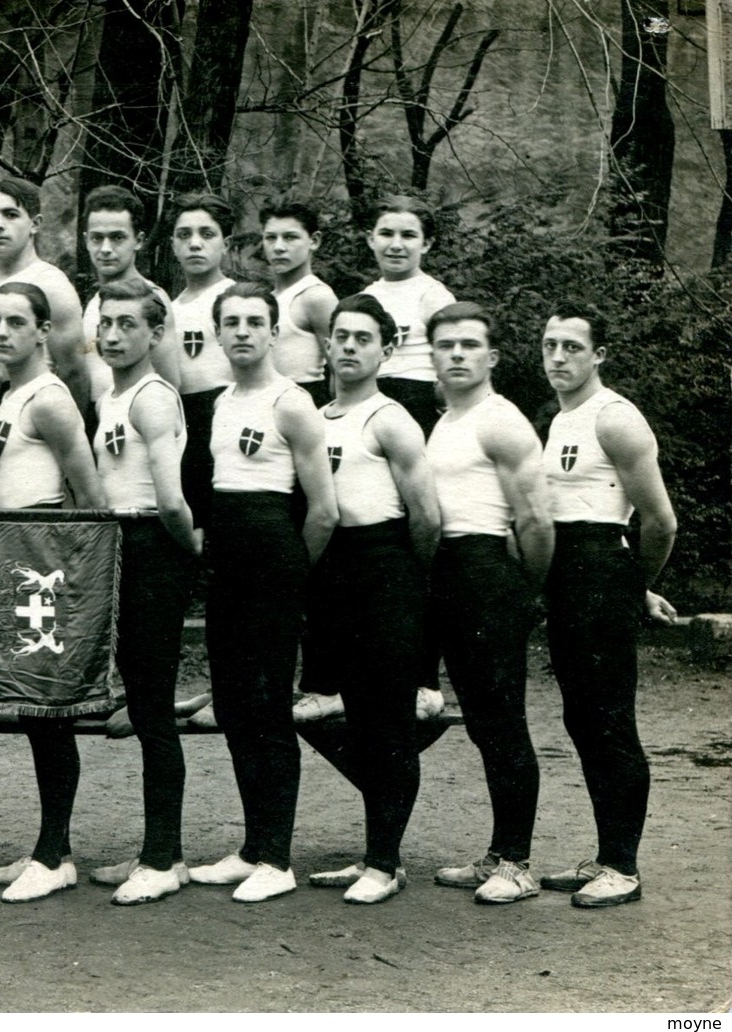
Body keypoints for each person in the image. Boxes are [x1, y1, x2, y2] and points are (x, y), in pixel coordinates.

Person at [186, 282, 337, 904]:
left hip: (274, 560)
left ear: (274, 332)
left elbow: (323, 509)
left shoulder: (294, 403)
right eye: (232, 323)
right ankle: (250, 848)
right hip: (228, 564)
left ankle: (278, 857)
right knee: (235, 707)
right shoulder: (218, 404)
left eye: (255, 322)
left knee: (270, 710)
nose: (243, 332)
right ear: (218, 334)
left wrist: (290, 576)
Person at [299, 293, 439, 904]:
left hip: (385, 569)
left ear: (386, 349)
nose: (350, 346)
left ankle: (386, 861)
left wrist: (402, 585)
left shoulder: (390, 418)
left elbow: (427, 518)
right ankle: (374, 852)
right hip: (331, 575)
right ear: (326, 344)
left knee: (386, 721)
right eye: (341, 336)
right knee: (338, 714)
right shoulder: (313, 415)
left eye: (363, 337)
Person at [538, 301, 676, 908]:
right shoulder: (559, 418)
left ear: (599, 354)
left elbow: (660, 522)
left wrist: (628, 585)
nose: (559, 357)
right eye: (550, 345)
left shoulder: (615, 418)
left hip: (600, 571)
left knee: (611, 722)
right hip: (568, 574)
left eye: (572, 346)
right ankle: (603, 854)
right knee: (582, 719)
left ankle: (624, 865)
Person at [0, 282, 107, 903]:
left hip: (43, 565)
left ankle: (55, 854)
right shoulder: (11, 392)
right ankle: (46, 847)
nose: (1, 332)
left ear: (43, 331)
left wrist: (73, 580)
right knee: (32, 714)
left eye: (15, 323)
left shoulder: (51, 399)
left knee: (49, 715)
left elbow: (91, 496)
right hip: (12, 557)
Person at [424, 301, 554, 905]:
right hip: (448, 571)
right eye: (446, 345)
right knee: (480, 723)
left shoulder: (501, 420)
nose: (456, 355)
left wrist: (522, 588)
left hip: (488, 576)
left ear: (492, 356)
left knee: (502, 722)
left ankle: (518, 864)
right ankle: (498, 853)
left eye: (469, 345)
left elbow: (534, 519)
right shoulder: (446, 421)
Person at [83, 280, 199, 905]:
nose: (113, 334)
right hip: (120, 546)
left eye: (128, 324)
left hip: (152, 545)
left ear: (156, 334)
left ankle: (161, 858)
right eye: (106, 323)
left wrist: (190, 552)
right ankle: (163, 849)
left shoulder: (155, 398)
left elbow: (171, 500)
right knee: (144, 702)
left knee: (152, 710)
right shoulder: (111, 395)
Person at [0, 177, 86, 412]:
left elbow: (73, 371)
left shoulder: (50, 283)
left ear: (34, 224)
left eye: (10, 215)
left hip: (39, 412)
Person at [78, 186, 182, 424]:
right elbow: (91, 351)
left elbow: (170, 382)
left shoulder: (151, 296)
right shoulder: (96, 301)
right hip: (96, 418)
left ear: (138, 240)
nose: (105, 249)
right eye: (97, 238)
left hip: (135, 423)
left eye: (117, 237)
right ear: (86, 241)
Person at [165, 192, 237, 528]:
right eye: (184, 235)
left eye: (206, 234)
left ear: (226, 243)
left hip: (226, 418)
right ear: (173, 245)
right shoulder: (169, 308)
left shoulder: (236, 300)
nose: (195, 244)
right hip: (184, 422)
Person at [361, 195, 456, 436]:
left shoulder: (433, 295)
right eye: (386, 234)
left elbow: (453, 360)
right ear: (371, 239)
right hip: (370, 403)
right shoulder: (367, 296)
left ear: (426, 243)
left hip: (418, 406)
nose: (396, 245)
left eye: (408, 235)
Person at [260, 201, 336, 408]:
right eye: (270, 238)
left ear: (314, 240)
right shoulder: (268, 298)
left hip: (305, 403)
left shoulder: (316, 296)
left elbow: (340, 372)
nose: (279, 247)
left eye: (290, 237)